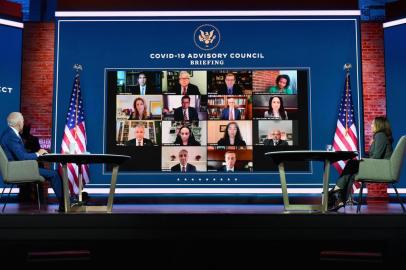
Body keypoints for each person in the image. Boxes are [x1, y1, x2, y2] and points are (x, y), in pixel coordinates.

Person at [0, 112, 65, 212]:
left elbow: (21, 154)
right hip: (19, 169)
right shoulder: (11, 136)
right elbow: (22, 157)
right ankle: (64, 204)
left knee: (52, 173)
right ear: (19, 123)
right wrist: (38, 154)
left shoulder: (9, 133)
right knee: (54, 174)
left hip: (19, 167)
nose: (23, 123)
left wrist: (36, 153)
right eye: (22, 120)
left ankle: (64, 202)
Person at [328, 116, 394, 211]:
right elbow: (376, 156)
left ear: (379, 125)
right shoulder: (380, 136)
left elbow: (376, 157)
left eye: (373, 123)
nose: (371, 125)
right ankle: (340, 199)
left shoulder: (380, 135)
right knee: (351, 172)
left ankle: (336, 191)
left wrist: (363, 161)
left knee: (351, 164)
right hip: (380, 167)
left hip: (381, 169)